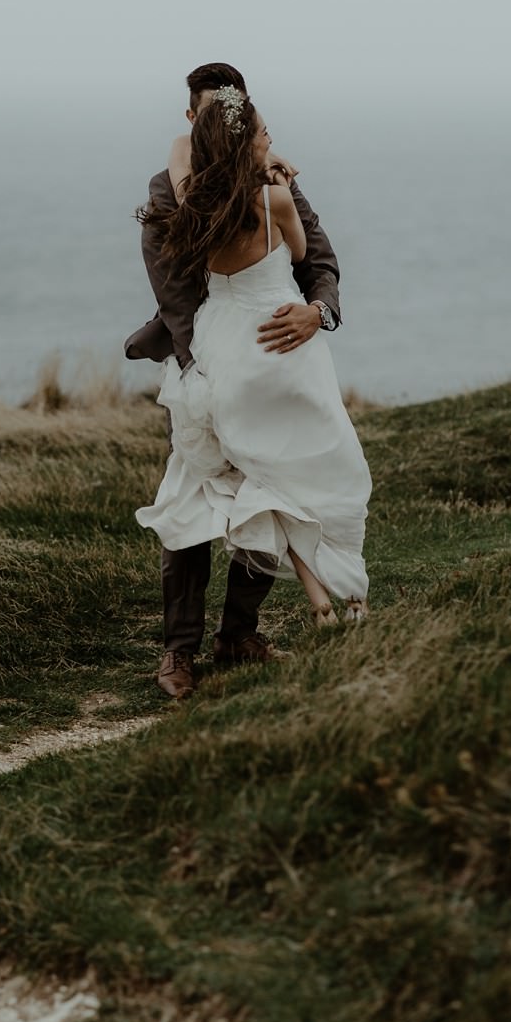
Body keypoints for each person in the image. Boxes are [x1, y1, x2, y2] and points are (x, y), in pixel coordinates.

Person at [134, 82, 372, 698]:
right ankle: (178, 651)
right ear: (196, 117)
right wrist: (198, 368)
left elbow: (317, 258)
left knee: (273, 482)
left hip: (262, 351)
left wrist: (317, 312)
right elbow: (174, 295)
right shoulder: (174, 193)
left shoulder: (270, 184)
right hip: (204, 361)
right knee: (192, 499)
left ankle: (238, 634)